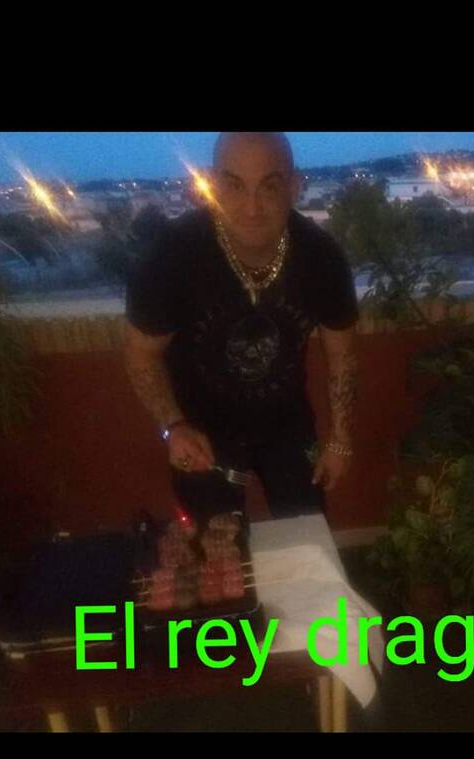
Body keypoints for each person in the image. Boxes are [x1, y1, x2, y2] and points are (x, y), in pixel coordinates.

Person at [123, 132, 359, 523]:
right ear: (213, 185)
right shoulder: (170, 256)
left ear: (294, 187)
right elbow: (141, 354)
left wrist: (341, 440)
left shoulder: (322, 258)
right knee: (214, 550)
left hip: (287, 425)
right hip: (200, 430)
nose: (252, 208)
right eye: (234, 185)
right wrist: (173, 427)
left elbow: (343, 355)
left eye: (269, 186)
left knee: (307, 538)